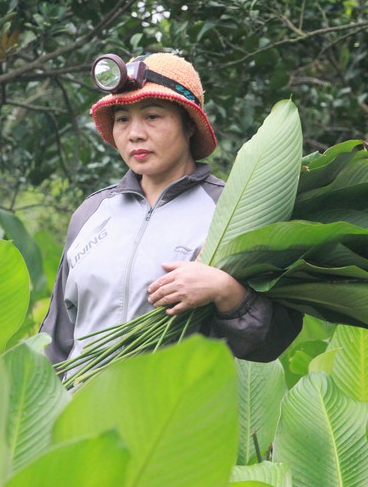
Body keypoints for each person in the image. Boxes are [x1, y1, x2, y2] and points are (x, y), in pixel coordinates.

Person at [40, 52, 303, 366]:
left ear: (189, 125)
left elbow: (271, 339)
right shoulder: (91, 213)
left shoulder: (230, 211)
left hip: (177, 397)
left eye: (152, 116)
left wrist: (225, 290)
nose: (135, 133)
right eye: (122, 119)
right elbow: (57, 339)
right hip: (83, 396)